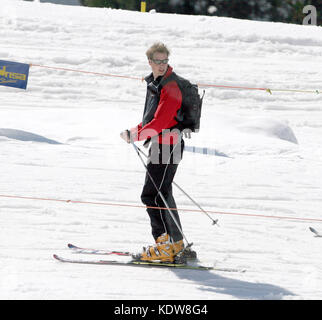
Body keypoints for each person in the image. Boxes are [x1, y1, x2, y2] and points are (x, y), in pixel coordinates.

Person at [120, 42, 186, 263]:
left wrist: (135, 135)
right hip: (160, 145)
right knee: (162, 194)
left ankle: (164, 246)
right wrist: (134, 131)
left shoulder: (170, 86)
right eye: (157, 61)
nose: (161, 64)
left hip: (167, 146)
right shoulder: (157, 84)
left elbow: (161, 122)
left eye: (165, 60)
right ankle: (174, 244)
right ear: (149, 62)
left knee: (151, 195)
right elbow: (151, 119)